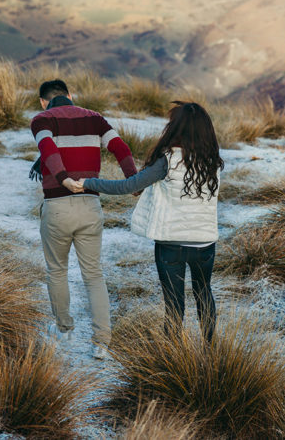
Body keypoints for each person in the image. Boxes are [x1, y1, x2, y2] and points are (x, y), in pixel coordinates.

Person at [71, 101, 223, 342]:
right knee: (204, 294)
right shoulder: (213, 162)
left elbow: (128, 186)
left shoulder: (168, 160)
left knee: (174, 304)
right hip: (205, 243)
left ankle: (172, 356)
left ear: (175, 129)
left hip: (171, 244)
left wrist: (88, 182)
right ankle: (211, 348)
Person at [30, 79, 137, 360]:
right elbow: (121, 148)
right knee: (93, 274)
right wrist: (133, 181)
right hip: (91, 203)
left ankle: (64, 330)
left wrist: (63, 179)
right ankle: (101, 343)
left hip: (57, 206)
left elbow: (48, 151)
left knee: (57, 271)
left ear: (44, 101)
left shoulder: (42, 119)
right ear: (70, 96)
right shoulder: (95, 119)